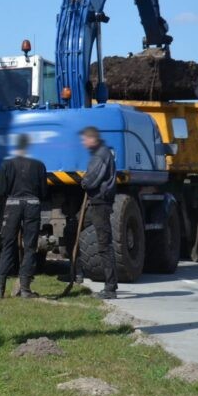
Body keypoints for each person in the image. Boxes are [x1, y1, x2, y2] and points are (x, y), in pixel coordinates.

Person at [0, 133, 47, 299]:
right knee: (30, 246)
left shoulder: (7, 165)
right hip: (32, 205)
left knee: (8, 245)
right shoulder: (39, 165)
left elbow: (2, 191)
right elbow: (44, 192)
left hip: (13, 206)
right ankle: (25, 288)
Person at [79, 126, 119, 299]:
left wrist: (84, 181)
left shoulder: (100, 155)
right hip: (99, 202)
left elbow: (90, 181)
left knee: (104, 244)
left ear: (92, 139)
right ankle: (77, 273)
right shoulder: (103, 153)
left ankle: (110, 288)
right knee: (76, 230)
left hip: (100, 203)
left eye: (84, 139)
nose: (83, 143)